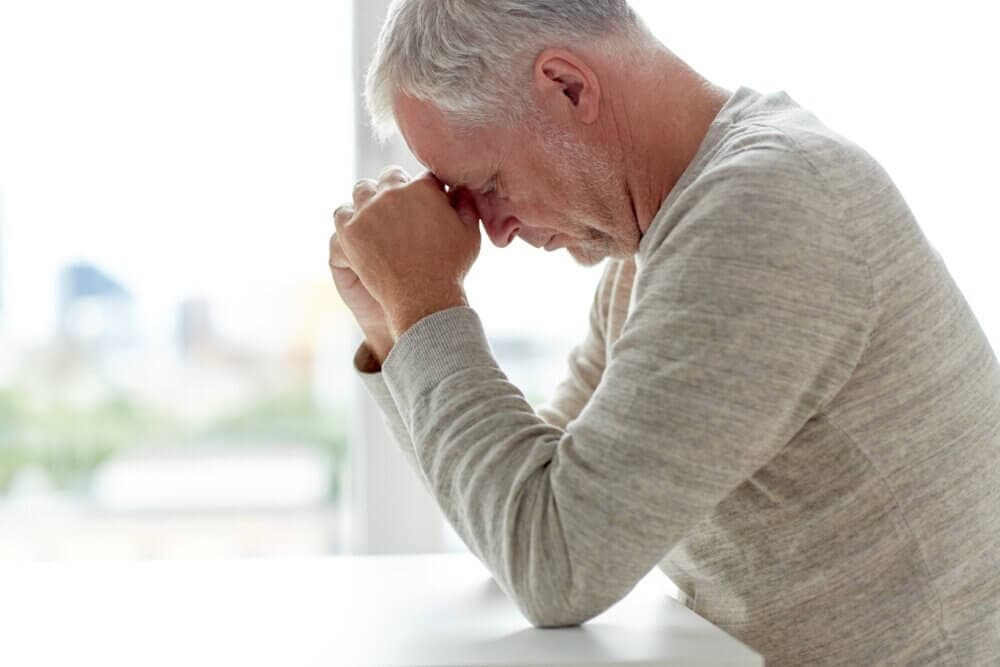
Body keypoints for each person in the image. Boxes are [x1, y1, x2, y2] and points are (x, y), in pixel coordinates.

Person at [327, 1, 1000, 664]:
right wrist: (394, 326)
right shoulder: (663, 244)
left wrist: (426, 303)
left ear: (568, 86)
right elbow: (508, 511)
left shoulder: (767, 209)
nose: (495, 232)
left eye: (490, 183)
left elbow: (555, 562)